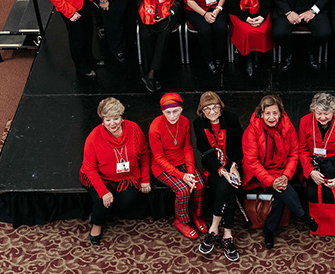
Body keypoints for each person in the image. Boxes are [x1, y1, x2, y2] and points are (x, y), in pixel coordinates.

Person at [242, 95, 319, 249]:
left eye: (275, 113)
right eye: (268, 113)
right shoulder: (252, 131)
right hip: (258, 175)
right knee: (283, 190)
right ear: (261, 114)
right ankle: (302, 215)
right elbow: (252, 162)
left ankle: (269, 230)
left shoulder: (287, 127)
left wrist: (285, 175)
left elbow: (293, 153)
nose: (271, 117)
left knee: (281, 192)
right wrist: (271, 181)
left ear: (281, 113)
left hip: (281, 171)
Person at [80, 98, 151, 245]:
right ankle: (96, 224)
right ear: (102, 120)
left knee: (129, 200)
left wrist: (145, 179)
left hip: (127, 176)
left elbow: (144, 154)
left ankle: (106, 211)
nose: (112, 123)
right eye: (108, 120)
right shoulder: (93, 138)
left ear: (121, 117)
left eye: (116, 118)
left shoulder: (134, 129)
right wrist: (103, 191)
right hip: (100, 176)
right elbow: (90, 169)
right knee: (102, 202)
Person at [149, 93, 207, 239]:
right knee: (183, 190)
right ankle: (181, 221)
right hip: (162, 166)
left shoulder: (185, 122)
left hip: (182, 161)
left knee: (199, 185)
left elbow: (188, 148)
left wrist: (190, 172)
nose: (172, 116)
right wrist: (183, 176)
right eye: (167, 112)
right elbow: (159, 158)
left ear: (181, 109)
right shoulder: (155, 128)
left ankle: (196, 214)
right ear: (162, 111)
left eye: (176, 111)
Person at [194, 92, 244, 261]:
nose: (212, 111)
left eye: (215, 107)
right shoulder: (198, 124)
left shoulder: (230, 119)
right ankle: (227, 235)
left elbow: (240, 144)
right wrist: (222, 171)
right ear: (202, 111)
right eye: (207, 108)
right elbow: (205, 152)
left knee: (225, 186)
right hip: (214, 168)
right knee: (226, 187)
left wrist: (234, 167)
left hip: (233, 164)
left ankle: (213, 229)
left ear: (221, 108)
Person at [137, 0, 183, 93]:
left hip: (169, 10)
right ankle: (150, 73)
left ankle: (151, 74)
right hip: (148, 9)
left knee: (163, 34)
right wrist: (142, 9)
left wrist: (170, 12)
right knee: (145, 35)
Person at [297, 92, 335, 204]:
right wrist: (311, 171)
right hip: (314, 164)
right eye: (319, 113)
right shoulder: (305, 121)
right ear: (313, 111)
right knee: (312, 194)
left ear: (333, 111)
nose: (323, 117)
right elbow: (302, 150)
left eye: (326, 113)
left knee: (333, 195)